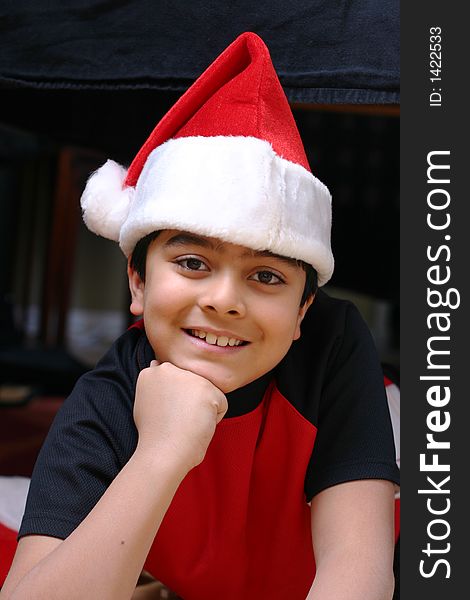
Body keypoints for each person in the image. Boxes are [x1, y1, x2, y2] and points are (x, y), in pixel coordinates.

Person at [1, 32, 399, 600]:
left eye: (267, 276)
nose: (224, 300)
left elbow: (356, 574)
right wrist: (160, 453)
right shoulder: (106, 399)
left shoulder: (333, 348)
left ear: (304, 308)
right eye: (192, 263)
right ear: (137, 281)